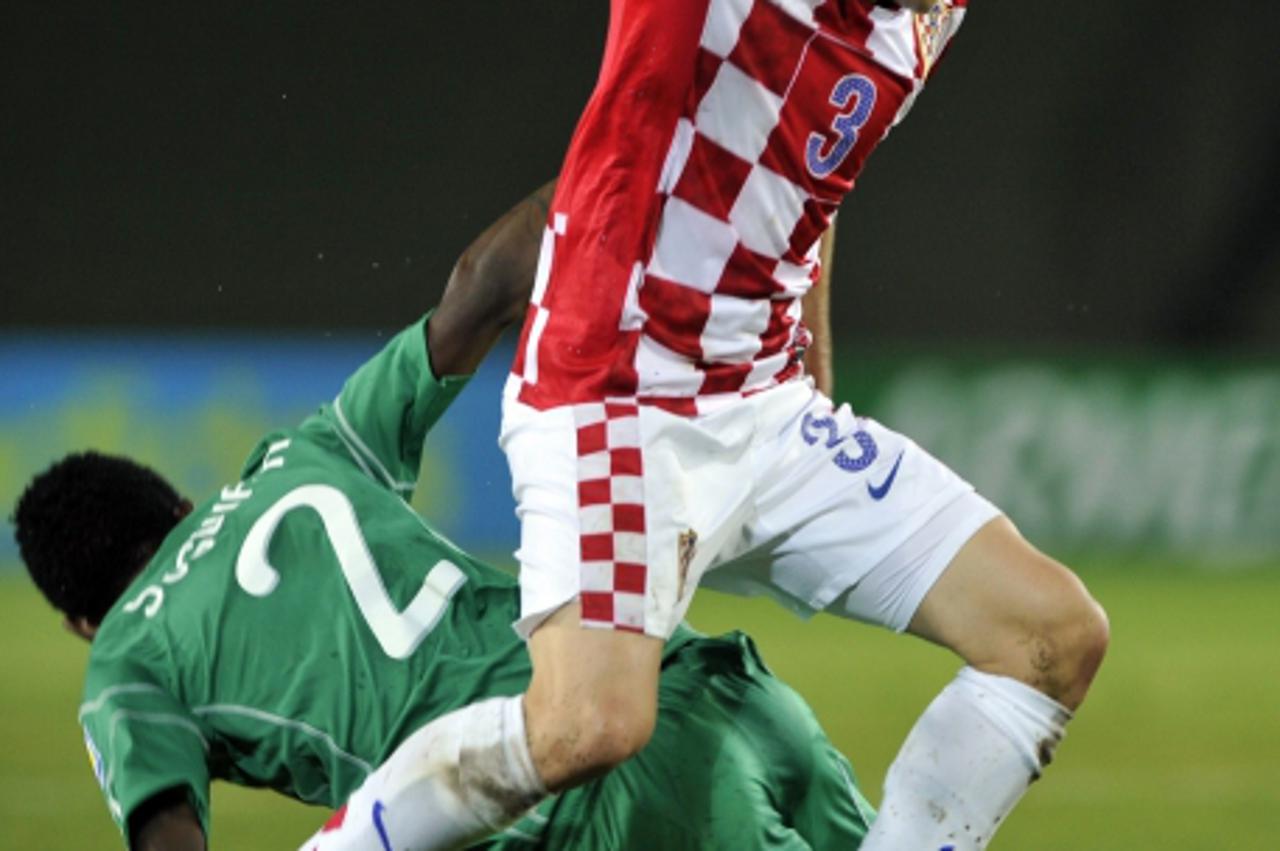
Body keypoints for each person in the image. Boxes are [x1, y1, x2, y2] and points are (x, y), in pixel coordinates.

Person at [378, 2, 1111, 850]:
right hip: (621, 388)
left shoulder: (931, 17)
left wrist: (813, 376)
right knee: (587, 725)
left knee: (1052, 634)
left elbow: (812, 176)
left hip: (765, 403)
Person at [12, 185, 876, 851]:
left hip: (592, 793)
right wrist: (638, 170)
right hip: (715, 688)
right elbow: (481, 284)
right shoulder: (305, 454)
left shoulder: (126, 662)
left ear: (83, 620)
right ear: (182, 505)